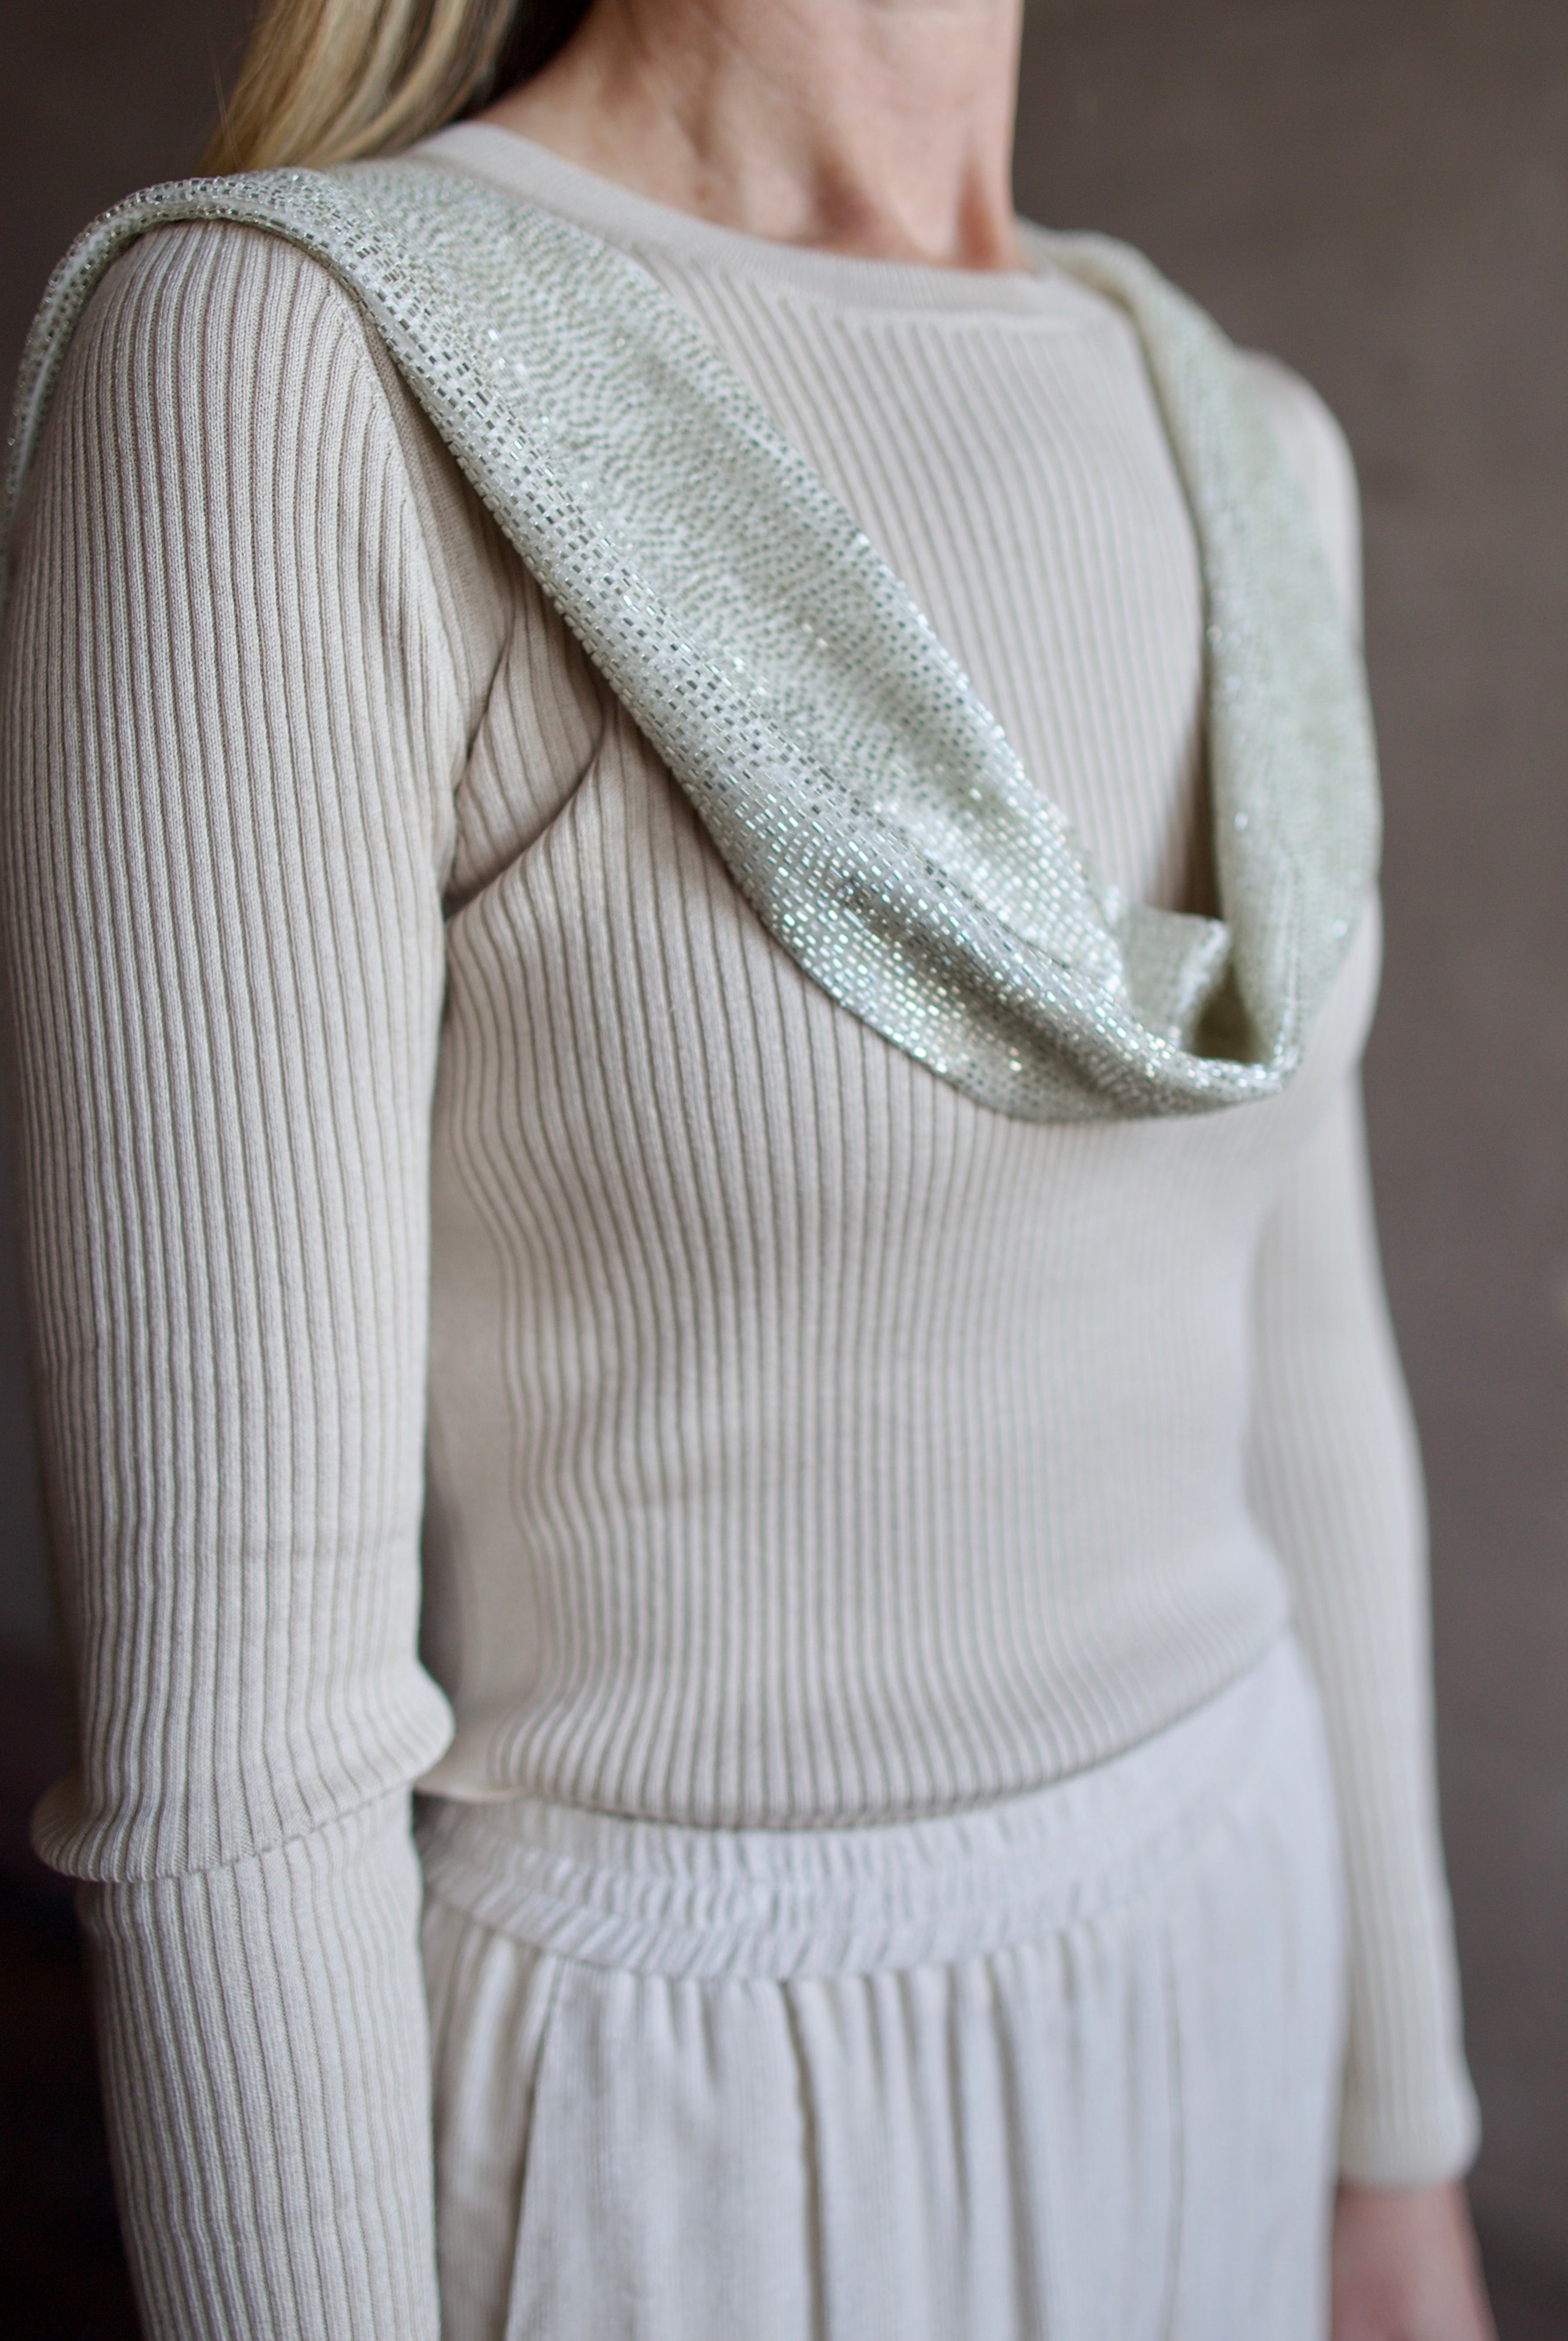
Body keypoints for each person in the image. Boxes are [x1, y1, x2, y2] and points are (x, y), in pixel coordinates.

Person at [0, 0, 1498, 2335]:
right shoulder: (293, 370)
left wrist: (1390, 2147)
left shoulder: (1246, 444)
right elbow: (234, 1758)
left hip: (1235, 1957)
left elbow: (1293, 1358)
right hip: (701, 2134)